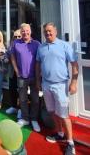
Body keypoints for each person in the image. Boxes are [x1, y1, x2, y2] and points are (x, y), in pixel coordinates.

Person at [36, 22, 78, 155]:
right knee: (53, 111)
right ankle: (60, 133)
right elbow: (37, 65)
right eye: (45, 32)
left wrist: (74, 82)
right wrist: (38, 80)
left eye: (50, 31)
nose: (48, 33)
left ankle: (70, 143)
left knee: (64, 114)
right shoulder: (41, 47)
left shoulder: (64, 46)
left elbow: (74, 64)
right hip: (46, 84)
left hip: (61, 85)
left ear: (55, 31)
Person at [10, 23, 41, 132]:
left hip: (34, 77)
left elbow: (40, 61)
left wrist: (39, 77)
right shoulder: (16, 43)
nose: (25, 32)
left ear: (30, 31)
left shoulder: (37, 44)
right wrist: (16, 70)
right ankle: (25, 118)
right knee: (22, 99)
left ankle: (33, 119)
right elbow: (12, 57)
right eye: (23, 31)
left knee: (35, 99)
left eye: (27, 30)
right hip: (21, 77)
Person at [5, 29, 21, 116]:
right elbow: (6, 55)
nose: (17, 38)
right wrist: (5, 58)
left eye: (19, 36)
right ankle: (14, 107)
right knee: (12, 90)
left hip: (22, 73)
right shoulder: (11, 46)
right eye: (15, 36)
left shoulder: (24, 45)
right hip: (12, 72)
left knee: (21, 92)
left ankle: (20, 110)